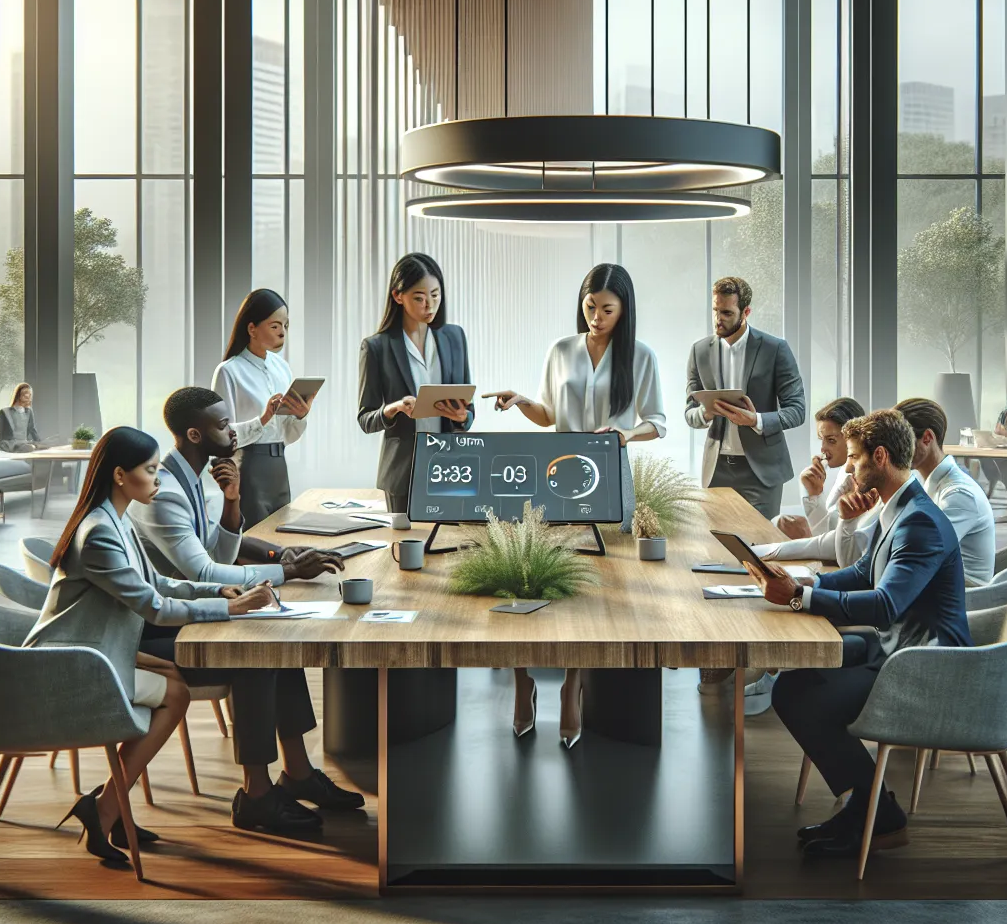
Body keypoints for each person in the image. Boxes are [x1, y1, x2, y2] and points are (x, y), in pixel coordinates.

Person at [26, 428, 360, 856]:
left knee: (266, 646)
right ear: (120, 476)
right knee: (252, 656)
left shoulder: (115, 518)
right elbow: (155, 606)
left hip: (109, 649)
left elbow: (161, 582)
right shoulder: (100, 533)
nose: (157, 478)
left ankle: (290, 775)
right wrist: (230, 608)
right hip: (83, 663)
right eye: (149, 470)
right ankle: (255, 794)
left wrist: (217, 594)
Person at [744, 408, 971, 861]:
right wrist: (805, 584)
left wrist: (798, 599)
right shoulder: (901, 507)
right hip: (897, 649)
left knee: (801, 695)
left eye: (853, 458)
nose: (846, 468)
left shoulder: (919, 522)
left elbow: (886, 602)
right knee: (799, 678)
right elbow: (865, 572)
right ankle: (870, 806)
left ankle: (875, 812)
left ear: (880, 457)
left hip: (926, 667)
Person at [483, 263, 667, 748]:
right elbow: (547, 416)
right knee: (530, 575)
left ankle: (572, 683)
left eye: (607, 309)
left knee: (594, 585)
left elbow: (659, 421)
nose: (597, 316)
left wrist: (625, 433)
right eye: (590, 306)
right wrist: (522, 399)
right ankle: (523, 679)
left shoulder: (640, 355)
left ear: (624, 310)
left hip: (609, 475)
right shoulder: (560, 350)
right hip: (555, 472)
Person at [131, 386, 346, 588]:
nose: (233, 432)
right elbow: (205, 574)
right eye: (224, 426)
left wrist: (232, 500)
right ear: (194, 436)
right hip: (170, 619)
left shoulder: (191, 476)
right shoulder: (163, 494)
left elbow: (221, 555)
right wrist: (290, 570)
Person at [355, 253, 475, 512]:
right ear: (398, 296)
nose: (430, 305)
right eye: (419, 298)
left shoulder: (454, 337)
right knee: (404, 549)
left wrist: (461, 416)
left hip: (450, 469)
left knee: (447, 546)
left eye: (435, 294)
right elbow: (365, 419)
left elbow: (468, 412)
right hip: (403, 473)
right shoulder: (376, 347)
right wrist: (394, 408)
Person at [681, 276, 806, 519]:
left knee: (760, 549)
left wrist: (756, 420)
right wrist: (705, 412)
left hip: (761, 472)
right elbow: (689, 414)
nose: (719, 318)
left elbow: (797, 409)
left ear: (745, 311)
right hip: (717, 470)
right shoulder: (699, 351)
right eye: (716, 310)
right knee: (718, 547)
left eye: (727, 312)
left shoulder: (775, 349)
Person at [212, 289, 313, 527]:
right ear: (252, 329)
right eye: (275, 326)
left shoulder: (282, 368)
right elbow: (219, 435)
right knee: (254, 538)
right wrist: (264, 418)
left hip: (279, 466)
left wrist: (300, 416)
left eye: (286, 326)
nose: (282, 333)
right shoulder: (229, 371)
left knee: (280, 537)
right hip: (249, 468)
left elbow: (287, 434)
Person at [757, 397, 876, 566]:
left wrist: (768, 551)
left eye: (831, 440)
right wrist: (813, 494)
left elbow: (837, 545)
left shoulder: (869, 483)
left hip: (850, 568)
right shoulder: (845, 473)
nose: (823, 449)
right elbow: (827, 532)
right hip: (833, 558)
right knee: (781, 522)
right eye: (822, 439)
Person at [894, 397, 997, 584]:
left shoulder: (958, 495)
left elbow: (918, 554)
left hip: (960, 600)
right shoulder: (926, 483)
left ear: (927, 438)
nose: (895, 451)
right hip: (933, 587)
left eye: (901, 441)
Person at [0, 383, 45, 452]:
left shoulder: (29, 412)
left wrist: (40, 444)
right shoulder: (4, 412)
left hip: (24, 443)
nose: (28, 395)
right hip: (10, 444)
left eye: (30, 394)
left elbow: (32, 430)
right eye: (26, 393)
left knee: (47, 444)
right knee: (30, 448)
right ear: (18, 394)